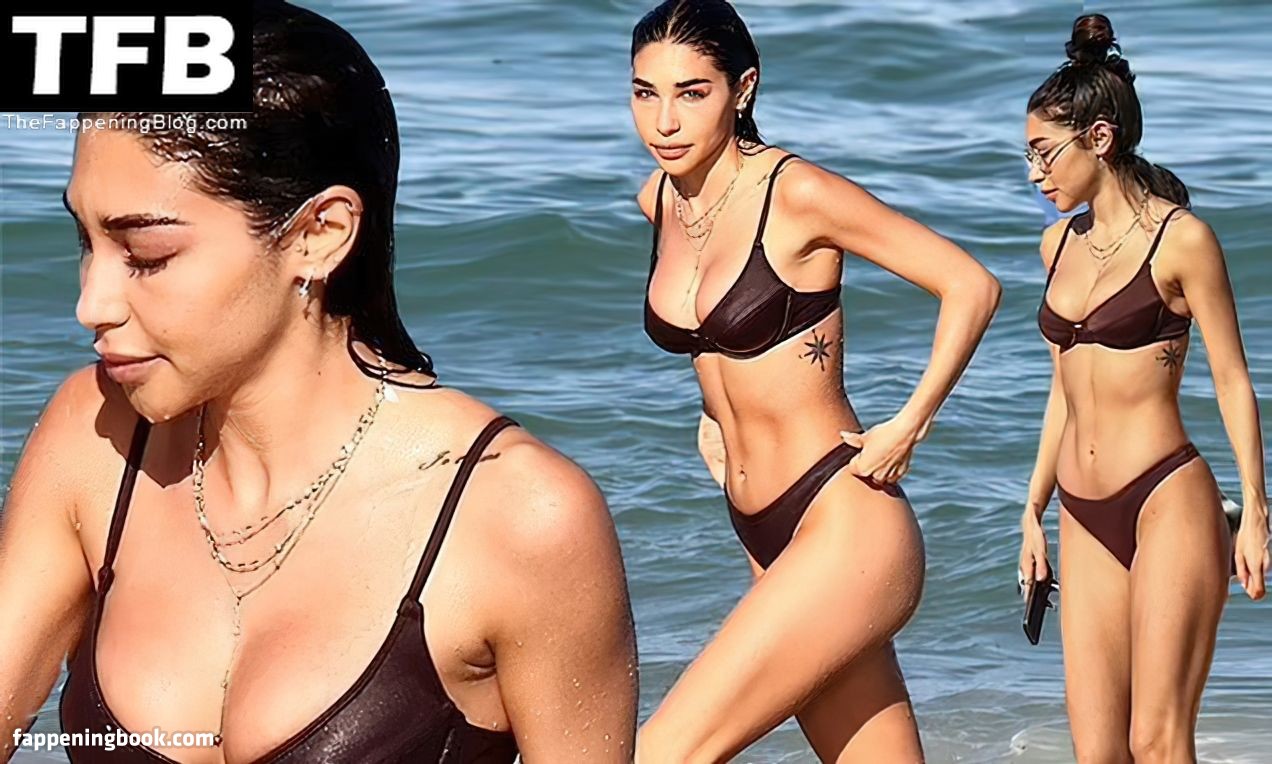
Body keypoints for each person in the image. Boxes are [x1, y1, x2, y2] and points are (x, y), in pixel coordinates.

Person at [0, 3, 636, 762]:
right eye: (86, 240)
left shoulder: (518, 516)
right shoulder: (95, 438)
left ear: (319, 234)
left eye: (147, 255)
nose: (91, 304)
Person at [628, 1, 1000, 760]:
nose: (664, 121)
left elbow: (969, 284)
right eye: (645, 93)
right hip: (760, 527)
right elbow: (718, 337)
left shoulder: (797, 194)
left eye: (692, 93)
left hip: (844, 519)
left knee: (665, 752)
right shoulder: (660, 200)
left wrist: (909, 424)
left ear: (743, 89)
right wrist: (714, 414)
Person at [1019, 14, 1268, 762]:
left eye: (1043, 153)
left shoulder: (1181, 240)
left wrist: (1256, 512)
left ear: (1098, 138)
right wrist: (1032, 508)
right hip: (1080, 511)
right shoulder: (1056, 244)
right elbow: (1062, 392)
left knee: (1157, 743)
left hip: (1166, 499)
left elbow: (1231, 377)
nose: (1034, 174)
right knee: (1099, 752)